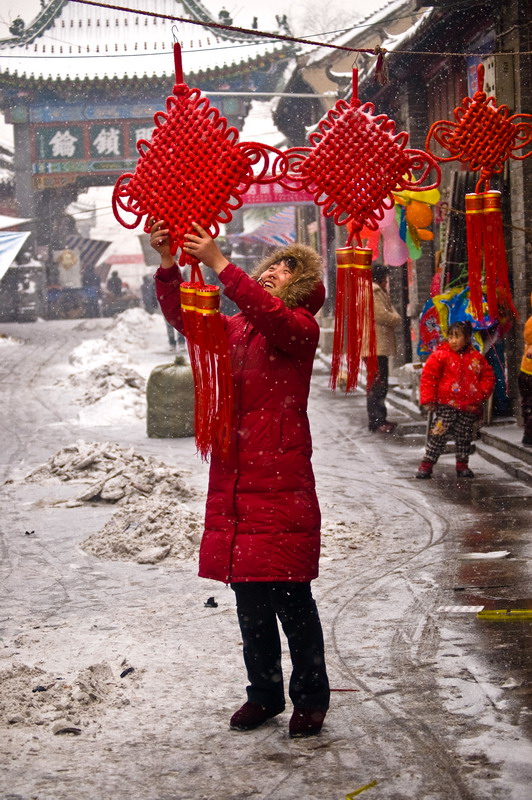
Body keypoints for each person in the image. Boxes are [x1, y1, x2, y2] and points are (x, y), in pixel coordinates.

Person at [150, 219, 330, 738]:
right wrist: (169, 265)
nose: (274, 271)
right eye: (270, 265)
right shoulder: (237, 330)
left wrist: (219, 263)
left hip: (282, 482)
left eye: (286, 268)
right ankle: (265, 694)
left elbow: (270, 314)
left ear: (301, 289)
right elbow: (188, 319)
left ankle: (310, 698)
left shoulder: (298, 328)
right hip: (236, 483)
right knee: (251, 605)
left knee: (293, 602)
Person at [416, 321, 495, 479]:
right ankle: (427, 464)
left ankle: (462, 465)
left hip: (468, 405)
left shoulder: (476, 358)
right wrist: (429, 399)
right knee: (438, 433)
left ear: (467, 338)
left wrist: (481, 393)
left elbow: (488, 376)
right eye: (450, 336)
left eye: (457, 337)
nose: (453, 340)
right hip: (446, 403)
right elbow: (428, 378)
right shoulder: (440, 355)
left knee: (464, 435)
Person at [363, 263, 402, 433]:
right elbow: (381, 315)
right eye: (385, 278)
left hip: (375, 346)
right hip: (375, 346)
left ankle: (380, 419)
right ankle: (377, 421)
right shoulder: (373, 292)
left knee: (379, 383)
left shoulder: (372, 291)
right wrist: (396, 318)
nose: (387, 282)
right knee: (377, 385)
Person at [518, 292, 532, 447]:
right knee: (529, 405)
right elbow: (528, 337)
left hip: (527, 372)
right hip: (529, 373)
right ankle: (529, 436)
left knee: (529, 405)